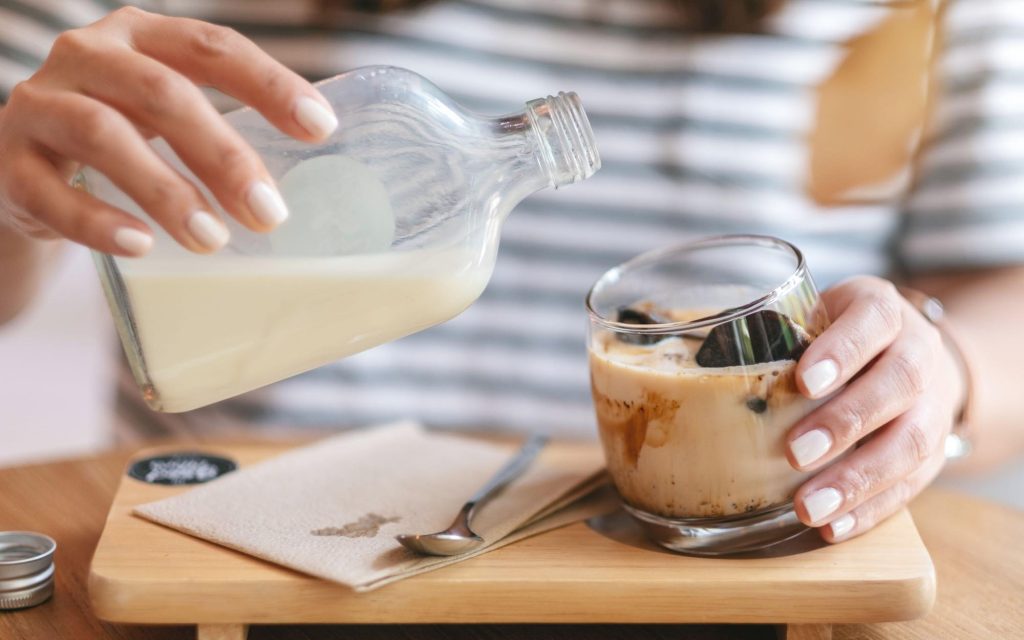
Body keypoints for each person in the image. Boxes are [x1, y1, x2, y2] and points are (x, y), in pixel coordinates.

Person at [1, 0, 1022, 545]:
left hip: (697, 557)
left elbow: (1003, 290)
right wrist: (12, 188)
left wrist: (945, 368)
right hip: (232, 537)